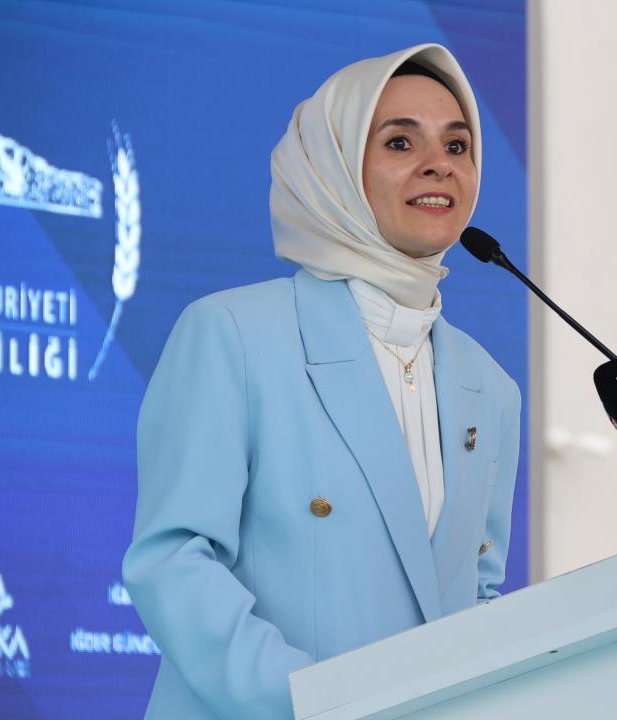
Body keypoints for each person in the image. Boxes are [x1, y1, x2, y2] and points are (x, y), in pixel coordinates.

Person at [121, 44, 520, 720]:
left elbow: (476, 597)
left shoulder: (491, 387)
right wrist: (318, 704)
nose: (439, 165)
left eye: (458, 145)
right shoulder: (234, 335)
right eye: (400, 142)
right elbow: (175, 562)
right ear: (332, 168)